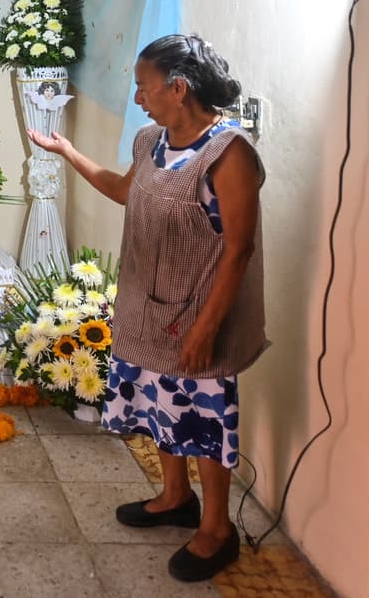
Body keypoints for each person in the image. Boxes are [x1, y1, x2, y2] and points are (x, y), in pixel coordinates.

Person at [28, 33, 264, 583]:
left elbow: (239, 250)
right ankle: (175, 496)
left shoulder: (229, 153)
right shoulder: (151, 141)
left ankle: (216, 529)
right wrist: (68, 153)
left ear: (178, 89)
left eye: (144, 87)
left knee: (205, 422)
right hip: (148, 308)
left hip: (201, 313)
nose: (138, 97)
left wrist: (206, 329)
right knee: (161, 407)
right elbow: (122, 190)